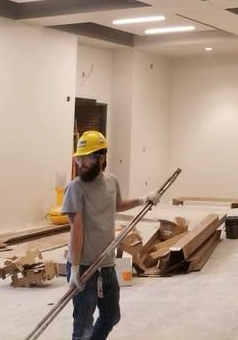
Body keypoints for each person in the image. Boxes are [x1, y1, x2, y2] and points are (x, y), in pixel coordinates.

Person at [62, 131, 159, 340]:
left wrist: (143, 200)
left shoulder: (112, 181)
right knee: (83, 327)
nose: (80, 163)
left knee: (111, 316)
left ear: (101, 158)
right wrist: (76, 268)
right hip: (85, 265)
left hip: (106, 263)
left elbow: (117, 205)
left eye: (86, 157)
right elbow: (76, 230)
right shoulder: (74, 188)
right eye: (79, 158)